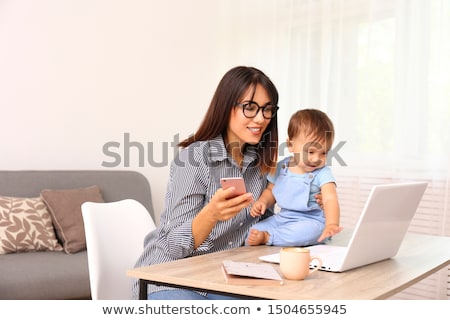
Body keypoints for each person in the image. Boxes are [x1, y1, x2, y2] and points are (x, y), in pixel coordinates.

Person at [132, 66, 280, 300]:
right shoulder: (192, 159)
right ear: (226, 107)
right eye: (250, 108)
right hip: (169, 277)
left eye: (267, 109)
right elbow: (171, 246)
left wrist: (305, 208)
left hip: (222, 278)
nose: (261, 118)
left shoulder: (260, 166)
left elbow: (266, 230)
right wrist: (211, 214)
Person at [246, 109, 342, 247]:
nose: (316, 159)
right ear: (290, 145)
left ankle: (269, 238)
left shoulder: (323, 173)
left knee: (310, 232)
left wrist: (332, 224)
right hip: (283, 218)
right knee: (252, 231)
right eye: (310, 151)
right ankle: (268, 236)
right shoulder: (281, 167)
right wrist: (262, 202)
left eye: (324, 153)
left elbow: (330, 198)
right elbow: (270, 190)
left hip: (311, 221)